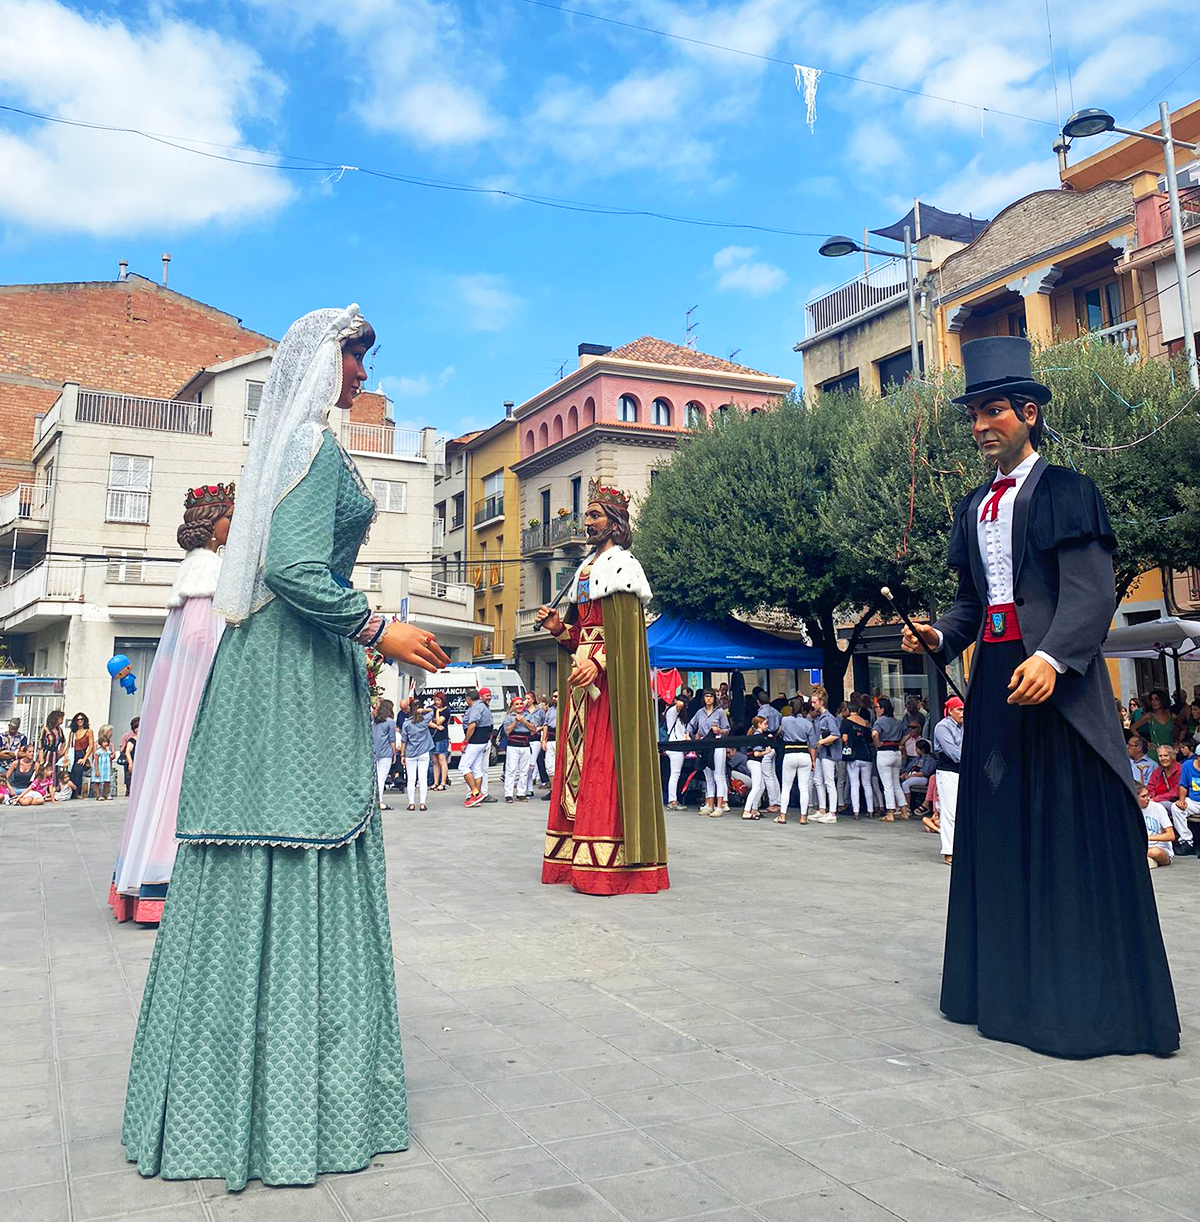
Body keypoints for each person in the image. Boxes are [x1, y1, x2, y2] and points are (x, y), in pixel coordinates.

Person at [122, 305, 449, 1189]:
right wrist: (381, 627)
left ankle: (227, 1099)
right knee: (308, 844)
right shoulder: (310, 447)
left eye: (362, 361)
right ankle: (299, 1102)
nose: (360, 376)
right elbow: (294, 571)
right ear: (317, 364)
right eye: (353, 359)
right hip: (293, 672)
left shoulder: (282, 450)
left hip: (275, 669)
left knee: (263, 856)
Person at [903, 334, 1177, 1057]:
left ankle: (1078, 997)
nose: (979, 426)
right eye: (973, 414)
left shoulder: (1067, 491)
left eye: (992, 410)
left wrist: (1054, 658)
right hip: (995, 678)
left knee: (1062, 819)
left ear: (1028, 412)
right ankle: (1003, 987)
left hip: (1056, 683)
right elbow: (972, 602)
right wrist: (937, 636)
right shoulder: (971, 506)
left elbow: (1089, 598)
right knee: (999, 820)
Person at [536, 480, 668, 893]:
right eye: (588, 515)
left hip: (612, 684)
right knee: (578, 760)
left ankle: (610, 864)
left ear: (614, 523)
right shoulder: (585, 568)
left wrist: (599, 663)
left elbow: (626, 635)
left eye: (595, 515)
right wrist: (560, 629)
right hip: (582, 679)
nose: (587, 522)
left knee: (605, 760)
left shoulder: (624, 566)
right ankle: (575, 856)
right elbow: (582, 632)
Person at [111, 485, 235, 919]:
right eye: (228, 517)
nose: (233, 524)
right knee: (185, 768)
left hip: (180, 684)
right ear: (214, 525)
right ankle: (167, 877)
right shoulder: (209, 571)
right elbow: (203, 639)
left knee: (171, 767)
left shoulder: (195, 567)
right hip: (197, 687)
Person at [687, 689, 730, 816]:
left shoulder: (720, 712)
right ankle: (709, 804)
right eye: (706, 696)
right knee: (708, 776)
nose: (709, 699)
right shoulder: (700, 712)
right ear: (704, 698)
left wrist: (720, 731)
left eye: (711, 696)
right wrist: (688, 734)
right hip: (705, 745)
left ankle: (720, 805)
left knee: (719, 775)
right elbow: (691, 725)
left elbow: (727, 729)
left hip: (717, 743)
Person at [931, 698, 963, 864]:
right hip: (948, 771)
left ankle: (961, 847)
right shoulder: (943, 727)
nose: (962, 714)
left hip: (962, 770)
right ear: (950, 711)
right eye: (959, 710)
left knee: (961, 811)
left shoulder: (964, 726)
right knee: (950, 811)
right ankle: (949, 850)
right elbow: (953, 753)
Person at [777, 701, 816, 825]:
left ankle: (782, 815)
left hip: (790, 753)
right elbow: (813, 744)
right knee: (804, 787)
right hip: (804, 753)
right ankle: (803, 817)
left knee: (786, 787)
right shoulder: (808, 723)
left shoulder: (785, 720)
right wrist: (813, 760)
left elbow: (780, 733)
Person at [872, 697, 907, 820]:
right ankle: (904, 810)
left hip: (884, 752)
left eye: (877, 707)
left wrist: (877, 743)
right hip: (896, 751)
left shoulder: (880, 721)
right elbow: (907, 733)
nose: (875, 709)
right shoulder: (896, 721)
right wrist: (900, 743)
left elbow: (875, 733)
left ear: (882, 709)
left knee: (887, 785)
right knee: (896, 783)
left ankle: (890, 812)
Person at [809, 687, 841, 823]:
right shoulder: (820, 718)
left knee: (828, 781)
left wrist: (822, 741)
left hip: (828, 753)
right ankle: (822, 809)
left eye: (814, 702)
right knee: (818, 780)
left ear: (821, 702)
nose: (812, 705)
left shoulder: (828, 718)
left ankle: (832, 812)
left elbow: (836, 734)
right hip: (822, 753)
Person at [840, 703, 875, 819]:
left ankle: (856, 811)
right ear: (859, 710)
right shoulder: (865, 722)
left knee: (854, 784)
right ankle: (870, 810)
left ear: (848, 710)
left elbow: (844, 738)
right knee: (867, 783)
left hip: (853, 755)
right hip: (866, 755)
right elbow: (870, 739)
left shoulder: (845, 722)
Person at [459, 688, 492, 808]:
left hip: (475, 740)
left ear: (468, 698)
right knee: (477, 768)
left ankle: (475, 793)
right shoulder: (484, 706)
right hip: (483, 740)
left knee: (463, 766)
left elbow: (472, 725)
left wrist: (465, 741)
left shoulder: (475, 708)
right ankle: (475, 798)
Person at [400, 697, 434, 811]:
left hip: (410, 752)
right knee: (423, 779)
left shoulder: (407, 723)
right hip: (424, 751)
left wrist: (402, 755)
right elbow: (433, 710)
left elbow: (404, 740)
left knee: (411, 779)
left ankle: (411, 803)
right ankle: (422, 803)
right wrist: (424, 710)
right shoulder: (424, 720)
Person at [502, 694, 536, 803]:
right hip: (513, 746)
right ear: (513, 706)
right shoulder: (508, 717)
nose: (519, 706)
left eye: (521, 704)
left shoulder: (528, 716)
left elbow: (533, 729)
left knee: (524, 771)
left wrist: (524, 721)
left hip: (525, 746)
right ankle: (508, 794)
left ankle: (521, 793)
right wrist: (515, 721)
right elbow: (507, 731)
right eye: (517, 704)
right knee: (510, 770)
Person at [754, 691, 783, 813]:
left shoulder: (762, 712)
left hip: (765, 743)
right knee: (773, 774)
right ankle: (778, 800)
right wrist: (775, 734)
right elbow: (781, 726)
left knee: (767, 774)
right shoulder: (776, 712)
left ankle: (773, 803)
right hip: (774, 741)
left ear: (758, 702)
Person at [1139, 786, 1176, 867]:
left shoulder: (1158, 808)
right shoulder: (1129, 810)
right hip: (1140, 847)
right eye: (1143, 796)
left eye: (1148, 795)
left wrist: (1147, 837)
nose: (1148, 798)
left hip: (1159, 848)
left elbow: (1170, 835)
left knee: (1155, 852)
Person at [741, 716, 770, 819]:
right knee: (756, 787)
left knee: (761, 786)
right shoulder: (759, 737)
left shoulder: (754, 735)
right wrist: (766, 752)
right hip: (755, 762)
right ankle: (747, 810)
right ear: (759, 725)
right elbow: (757, 753)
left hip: (752, 762)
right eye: (765, 724)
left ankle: (754, 809)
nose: (767, 726)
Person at [663, 694, 688, 809]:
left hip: (677, 746)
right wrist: (675, 700)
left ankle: (673, 799)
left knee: (675, 774)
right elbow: (680, 704)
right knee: (675, 774)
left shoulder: (677, 716)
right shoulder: (672, 711)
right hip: (675, 746)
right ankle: (672, 800)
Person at [372, 699, 397, 811]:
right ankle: (380, 800)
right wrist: (394, 753)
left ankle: (374, 799)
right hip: (385, 752)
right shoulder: (390, 722)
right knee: (382, 777)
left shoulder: (375, 721)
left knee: (376, 777)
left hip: (375, 752)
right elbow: (392, 739)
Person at [901, 738, 936, 811]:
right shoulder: (917, 758)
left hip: (923, 778)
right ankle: (900, 806)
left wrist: (910, 776)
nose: (915, 750)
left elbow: (924, 772)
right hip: (912, 776)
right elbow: (908, 768)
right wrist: (905, 773)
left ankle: (907, 806)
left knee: (905, 784)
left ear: (922, 750)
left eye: (917, 748)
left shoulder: (929, 759)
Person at [65, 712, 94, 800]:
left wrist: (85, 758)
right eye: (78, 719)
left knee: (78, 773)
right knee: (71, 773)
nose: (80, 721)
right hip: (72, 754)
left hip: (81, 754)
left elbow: (91, 746)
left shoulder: (89, 731)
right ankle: (71, 793)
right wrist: (65, 755)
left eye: (81, 719)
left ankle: (77, 792)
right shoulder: (73, 733)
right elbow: (68, 745)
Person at [38, 709, 66, 786]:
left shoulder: (59, 730)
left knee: (55, 771)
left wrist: (62, 750)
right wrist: (41, 761)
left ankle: (53, 787)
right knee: (46, 771)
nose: (62, 720)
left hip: (55, 754)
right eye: (61, 718)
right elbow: (40, 745)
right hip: (47, 753)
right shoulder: (45, 729)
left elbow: (63, 741)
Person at [428, 692, 450, 791]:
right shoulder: (431, 708)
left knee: (442, 760)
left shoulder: (446, 710)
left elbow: (439, 721)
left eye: (439, 700)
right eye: (435, 700)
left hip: (442, 737)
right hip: (433, 736)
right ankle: (435, 782)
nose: (437, 702)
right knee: (435, 761)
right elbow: (428, 721)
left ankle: (443, 782)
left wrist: (437, 712)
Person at [540, 690, 558, 799]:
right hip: (551, 740)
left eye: (557, 696)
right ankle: (553, 790)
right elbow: (546, 725)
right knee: (550, 766)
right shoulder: (550, 711)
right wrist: (544, 740)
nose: (555, 698)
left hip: (561, 740)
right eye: (554, 696)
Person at [93, 725, 115, 801]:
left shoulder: (110, 744)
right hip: (100, 765)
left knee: (107, 780)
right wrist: (96, 770)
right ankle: (98, 795)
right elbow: (95, 758)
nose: (111, 733)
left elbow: (112, 756)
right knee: (97, 780)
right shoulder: (97, 744)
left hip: (107, 765)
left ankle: (106, 794)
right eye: (109, 731)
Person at [117, 716, 139, 795]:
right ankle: (129, 791)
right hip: (132, 760)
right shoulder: (131, 739)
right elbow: (127, 751)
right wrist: (130, 762)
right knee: (129, 779)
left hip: (140, 762)